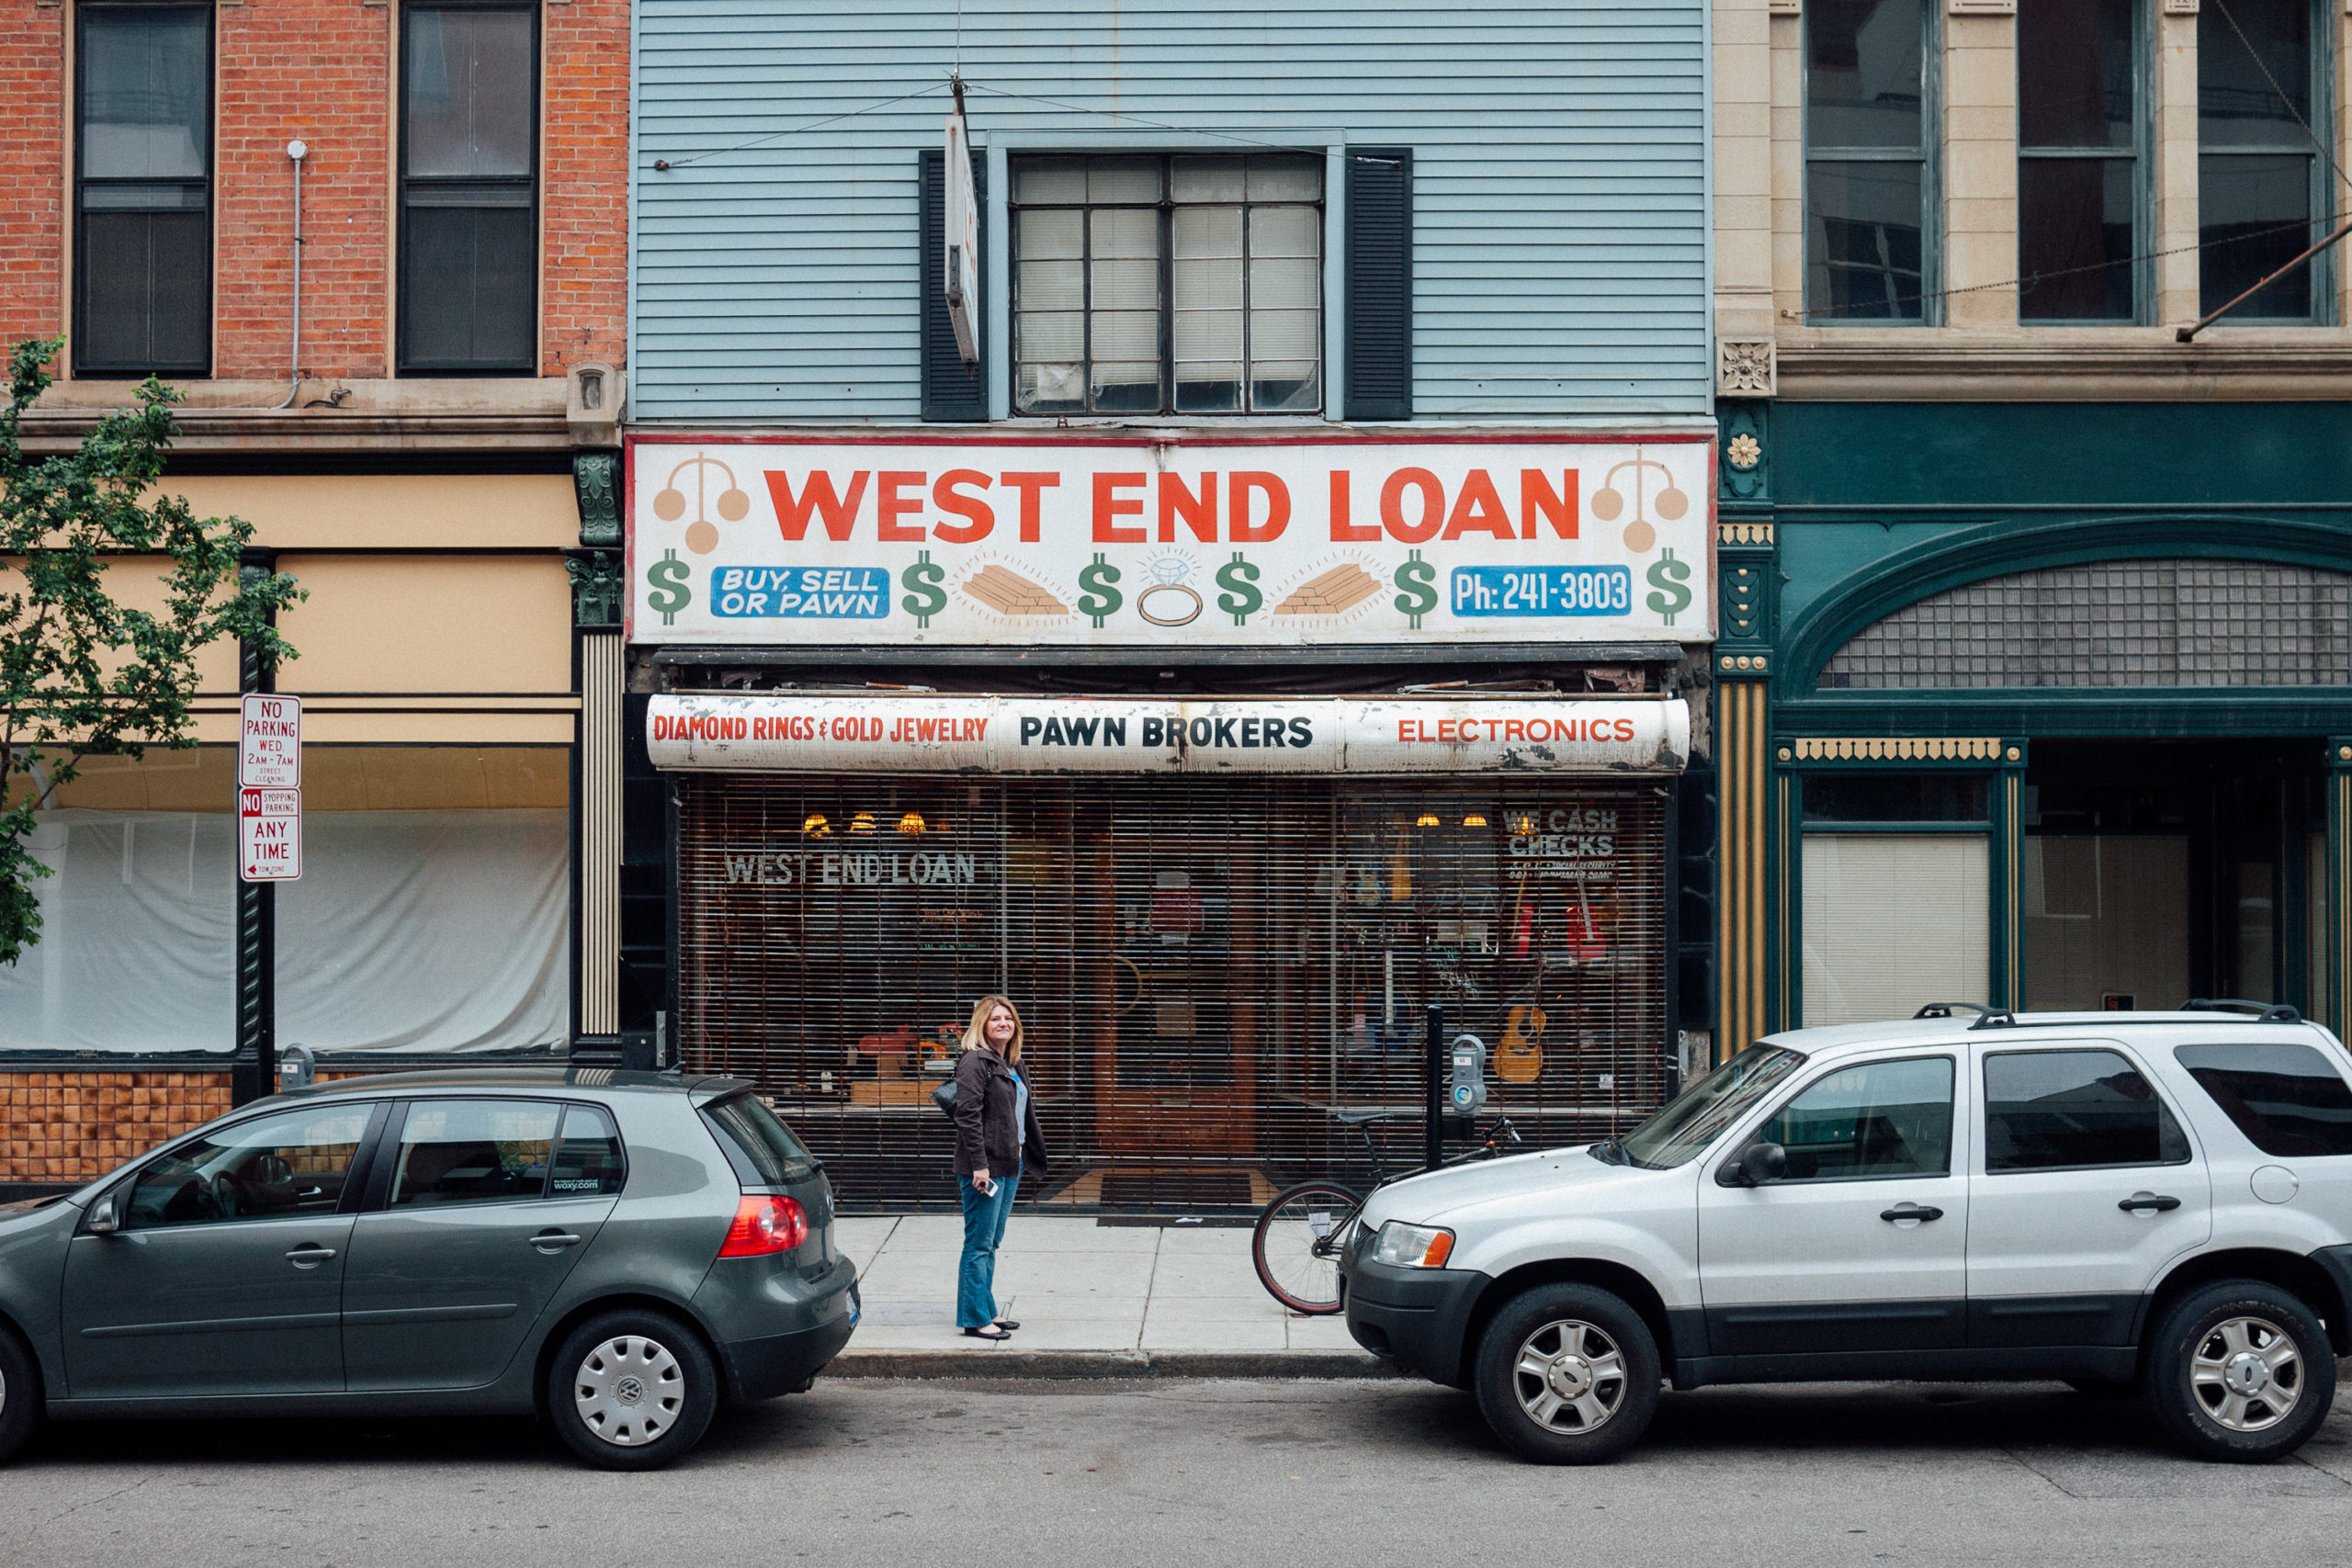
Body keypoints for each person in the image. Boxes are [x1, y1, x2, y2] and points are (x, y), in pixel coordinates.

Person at [952, 993, 1049, 1341]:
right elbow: (968, 1116)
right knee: (978, 1243)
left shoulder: (1011, 1062)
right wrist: (980, 1165)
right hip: (985, 1167)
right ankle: (975, 1319)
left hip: (1011, 1161)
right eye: (995, 1019)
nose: (1003, 1023)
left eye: (1008, 1018)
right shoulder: (975, 1062)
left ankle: (985, 1307)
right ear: (982, 1024)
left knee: (991, 1242)